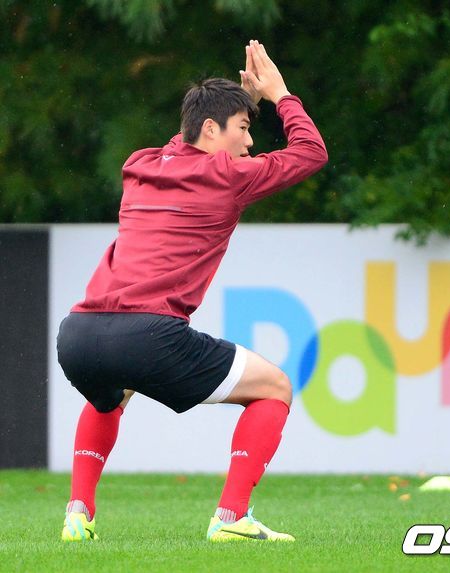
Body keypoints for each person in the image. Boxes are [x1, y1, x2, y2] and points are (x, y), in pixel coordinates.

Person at [57, 40, 327, 543]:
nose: (250, 142)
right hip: (147, 334)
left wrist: (239, 103)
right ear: (210, 129)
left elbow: (182, 145)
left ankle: (77, 514)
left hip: (78, 335)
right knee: (275, 388)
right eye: (243, 128)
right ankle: (231, 519)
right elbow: (311, 153)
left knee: (112, 395)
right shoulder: (228, 176)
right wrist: (280, 95)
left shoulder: (141, 165)